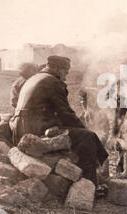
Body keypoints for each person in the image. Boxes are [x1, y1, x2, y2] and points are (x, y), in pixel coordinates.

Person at [9, 55, 108, 185]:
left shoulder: (36, 77)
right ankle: (90, 185)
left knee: (80, 135)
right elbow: (65, 114)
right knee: (87, 137)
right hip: (34, 127)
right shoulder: (53, 82)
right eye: (65, 72)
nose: (66, 77)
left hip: (20, 127)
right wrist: (84, 129)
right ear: (57, 68)